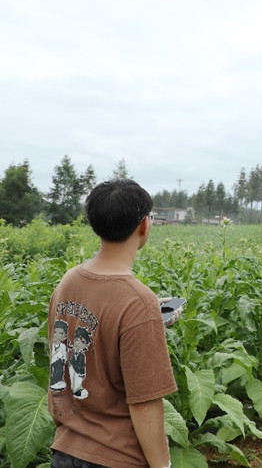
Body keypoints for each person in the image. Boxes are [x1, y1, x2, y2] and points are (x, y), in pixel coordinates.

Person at [47, 179, 178, 468]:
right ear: (144, 225)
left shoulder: (69, 282)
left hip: (66, 450)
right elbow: (144, 402)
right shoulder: (137, 301)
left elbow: (66, 349)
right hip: (117, 457)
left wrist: (149, 319)